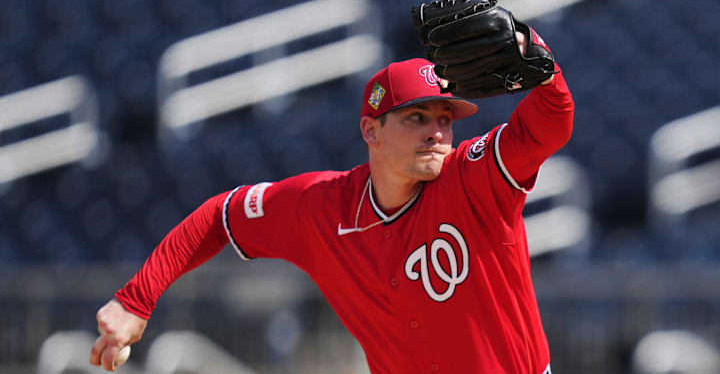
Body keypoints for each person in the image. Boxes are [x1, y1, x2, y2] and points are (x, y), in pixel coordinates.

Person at [90, 24, 573, 374]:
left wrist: (535, 54)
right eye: (417, 118)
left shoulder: (474, 177)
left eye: (445, 117)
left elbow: (551, 122)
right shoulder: (322, 207)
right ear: (371, 130)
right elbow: (221, 216)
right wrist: (137, 299)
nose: (438, 133)